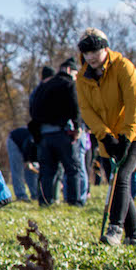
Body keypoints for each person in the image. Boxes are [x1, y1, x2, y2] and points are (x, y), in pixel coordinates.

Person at [76, 28, 136, 246]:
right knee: (119, 182)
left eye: (95, 51)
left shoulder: (124, 67)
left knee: (123, 175)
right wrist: (107, 137)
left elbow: (134, 103)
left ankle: (115, 228)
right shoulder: (82, 77)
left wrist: (126, 136)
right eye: (86, 52)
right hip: (108, 137)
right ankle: (134, 237)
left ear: (105, 48)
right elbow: (87, 111)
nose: (90, 56)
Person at [29, 58, 83, 207]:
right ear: (69, 70)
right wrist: (77, 128)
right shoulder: (68, 84)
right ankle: (74, 202)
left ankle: (45, 201)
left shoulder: (43, 87)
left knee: (46, 171)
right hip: (62, 134)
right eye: (75, 73)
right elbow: (75, 107)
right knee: (72, 169)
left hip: (44, 136)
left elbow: (32, 110)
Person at [6, 127, 40, 202]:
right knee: (17, 170)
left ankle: (35, 195)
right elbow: (27, 144)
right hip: (15, 140)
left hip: (29, 150)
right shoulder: (35, 138)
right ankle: (21, 195)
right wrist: (27, 161)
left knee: (33, 172)